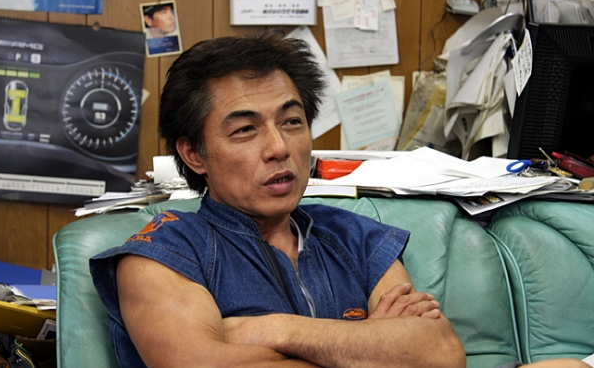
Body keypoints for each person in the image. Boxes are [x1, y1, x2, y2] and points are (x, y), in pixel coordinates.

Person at [90, 30, 589, 368]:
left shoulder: (350, 235)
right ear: (193, 153)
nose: (279, 147)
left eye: (292, 121)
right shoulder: (163, 253)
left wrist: (272, 331)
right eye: (245, 130)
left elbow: (438, 354)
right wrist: (372, 344)